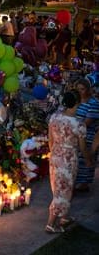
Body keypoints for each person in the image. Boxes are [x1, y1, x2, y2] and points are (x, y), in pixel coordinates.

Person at [46, 90, 90, 233]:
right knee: (63, 190)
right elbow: (83, 147)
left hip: (55, 155)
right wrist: (89, 160)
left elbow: (50, 140)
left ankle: (64, 217)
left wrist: (55, 152)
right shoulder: (79, 124)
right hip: (69, 158)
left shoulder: (54, 117)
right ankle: (51, 224)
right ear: (77, 103)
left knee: (58, 189)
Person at [74, 78, 99, 192]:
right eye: (78, 89)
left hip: (87, 135)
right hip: (75, 134)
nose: (80, 92)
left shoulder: (94, 103)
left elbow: (87, 122)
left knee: (85, 160)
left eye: (82, 89)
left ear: (88, 90)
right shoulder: (76, 101)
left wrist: (71, 126)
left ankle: (84, 185)